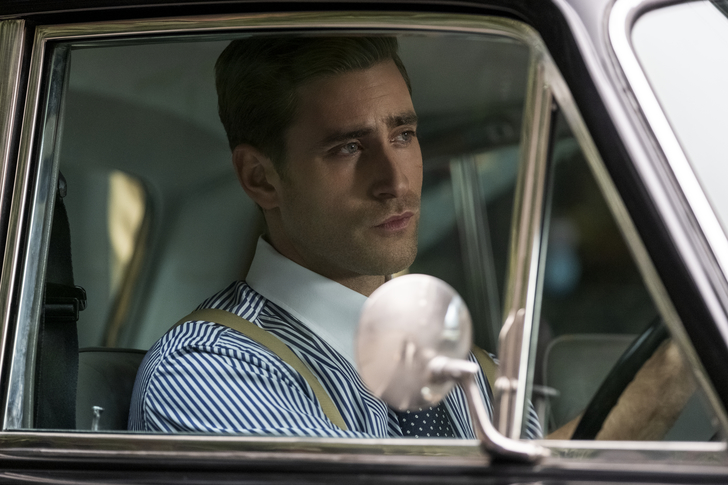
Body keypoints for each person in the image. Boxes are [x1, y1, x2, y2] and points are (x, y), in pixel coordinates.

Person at [128, 36, 542, 438]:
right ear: (260, 179)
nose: (396, 182)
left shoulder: (480, 372)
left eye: (403, 135)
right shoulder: (205, 371)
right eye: (349, 148)